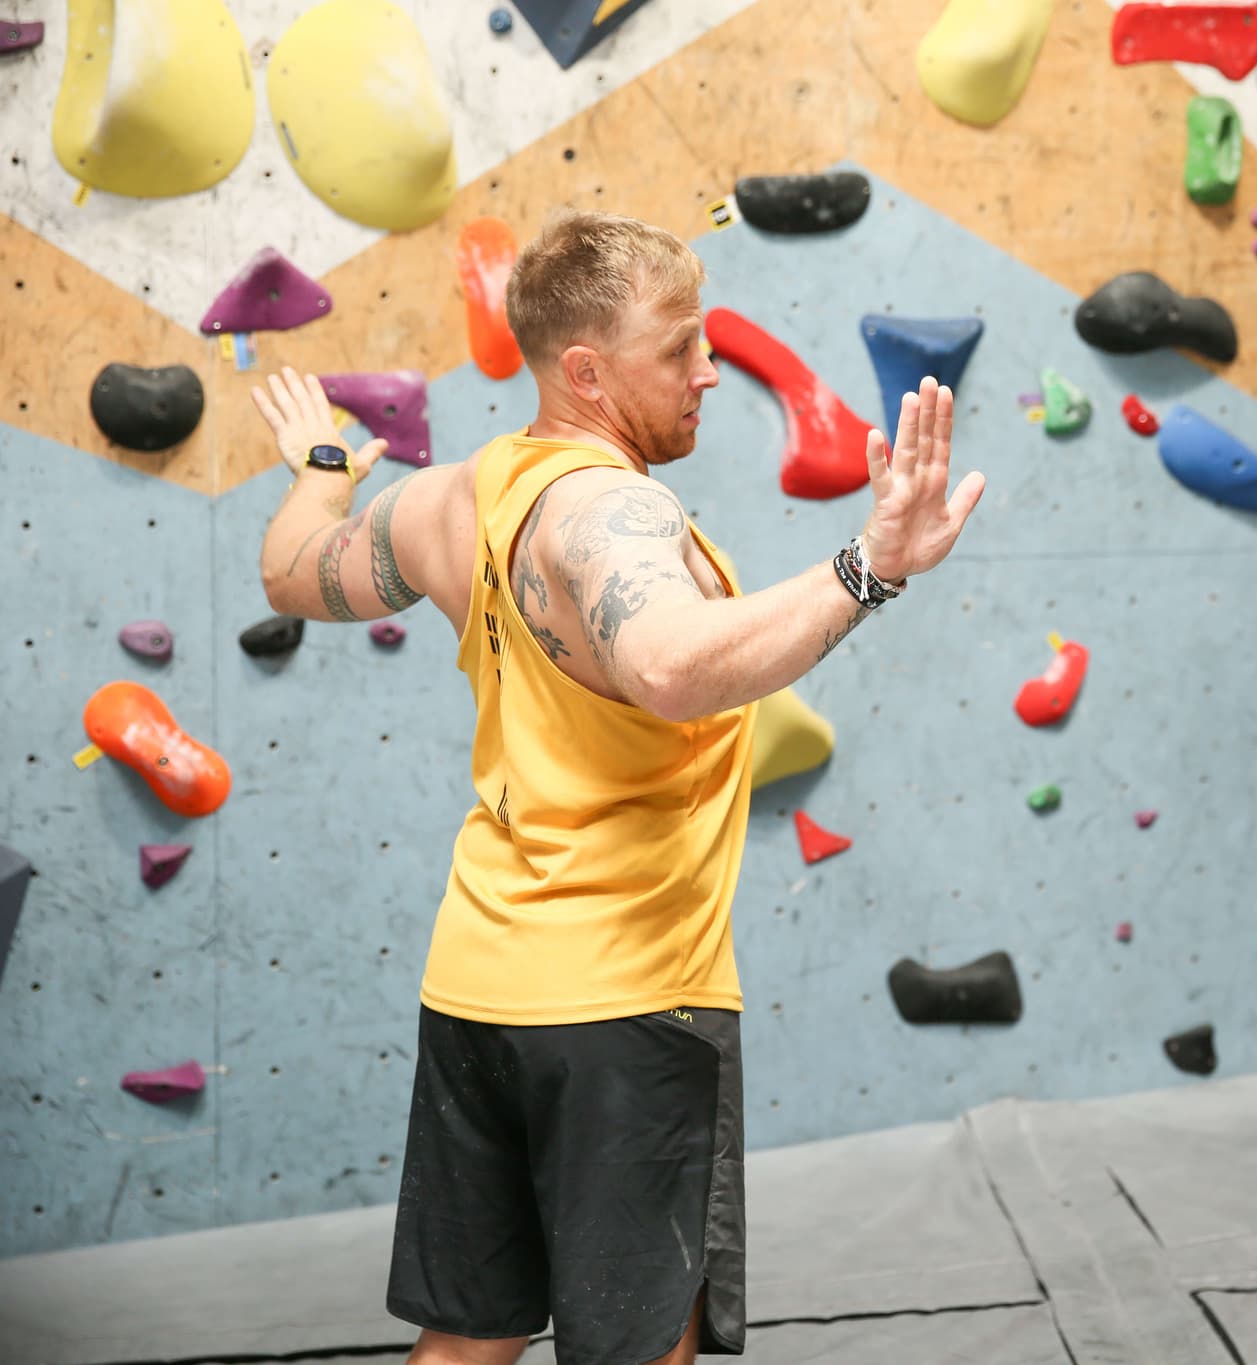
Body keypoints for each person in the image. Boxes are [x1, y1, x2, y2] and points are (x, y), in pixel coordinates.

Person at [249, 210, 985, 1365]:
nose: (708, 369)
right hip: (625, 1006)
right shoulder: (610, 508)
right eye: (681, 347)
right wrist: (868, 570)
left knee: (465, 1339)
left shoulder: (451, 500)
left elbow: (292, 572)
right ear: (585, 370)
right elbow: (669, 665)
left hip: (479, 985)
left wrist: (325, 466)